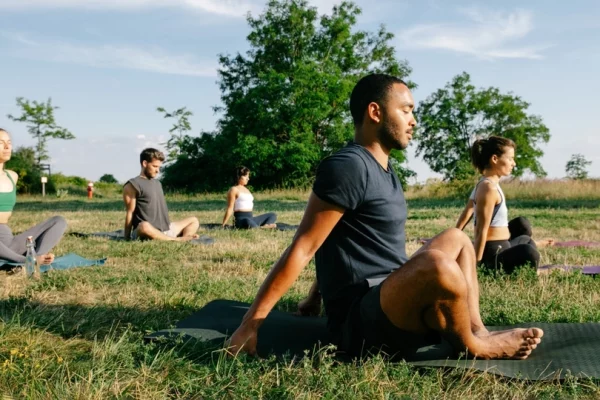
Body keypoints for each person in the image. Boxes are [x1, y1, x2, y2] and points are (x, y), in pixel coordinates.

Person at [227, 74, 543, 361]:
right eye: (405, 110)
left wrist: (313, 297)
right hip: (361, 321)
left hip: (390, 297)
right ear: (375, 112)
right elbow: (304, 247)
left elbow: (341, 238)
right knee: (436, 263)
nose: (413, 120)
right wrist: (249, 325)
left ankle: (478, 330)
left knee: (457, 238)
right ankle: (475, 347)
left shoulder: (386, 169)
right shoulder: (347, 166)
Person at [455, 137, 550, 273]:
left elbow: (470, 211)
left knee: (525, 237)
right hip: (493, 254)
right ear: (495, 159)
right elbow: (481, 231)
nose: (514, 163)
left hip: (503, 245)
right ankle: (538, 273)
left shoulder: (490, 184)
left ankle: (529, 258)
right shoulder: (488, 189)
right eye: (510, 159)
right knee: (529, 252)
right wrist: (475, 267)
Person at [0, 128, 67, 268]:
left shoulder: (12, 176)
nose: (7, 147)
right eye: (1, 142)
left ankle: (37, 257)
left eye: (9, 142)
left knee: (58, 221)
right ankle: (26, 261)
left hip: (8, 241)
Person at [123, 148, 199, 241]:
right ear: (145, 163)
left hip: (167, 229)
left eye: (159, 167)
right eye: (155, 166)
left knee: (193, 220)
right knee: (144, 226)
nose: (158, 170)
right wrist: (126, 237)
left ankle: (185, 237)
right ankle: (177, 240)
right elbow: (130, 212)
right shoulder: (132, 185)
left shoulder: (158, 183)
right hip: (147, 231)